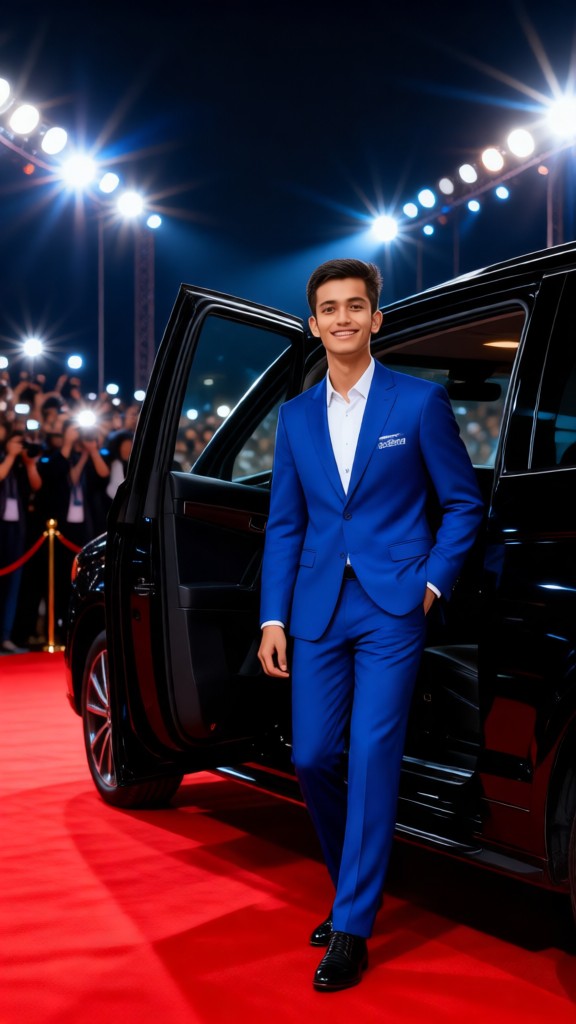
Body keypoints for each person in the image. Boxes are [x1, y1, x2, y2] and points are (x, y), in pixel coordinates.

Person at [257, 258, 484, 991]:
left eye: (358, 305)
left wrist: (430, 584)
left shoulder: (419, 404)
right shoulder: (293, 418)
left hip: (394, 607)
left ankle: (352, 924)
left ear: (376, 319)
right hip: (316, 608)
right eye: (331, 308)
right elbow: (285, 526)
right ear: (315, 323)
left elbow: (463, 503)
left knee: (373, 755)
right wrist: (272, 617)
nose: (345, 317)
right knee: (314, 758)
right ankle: (348, 887)